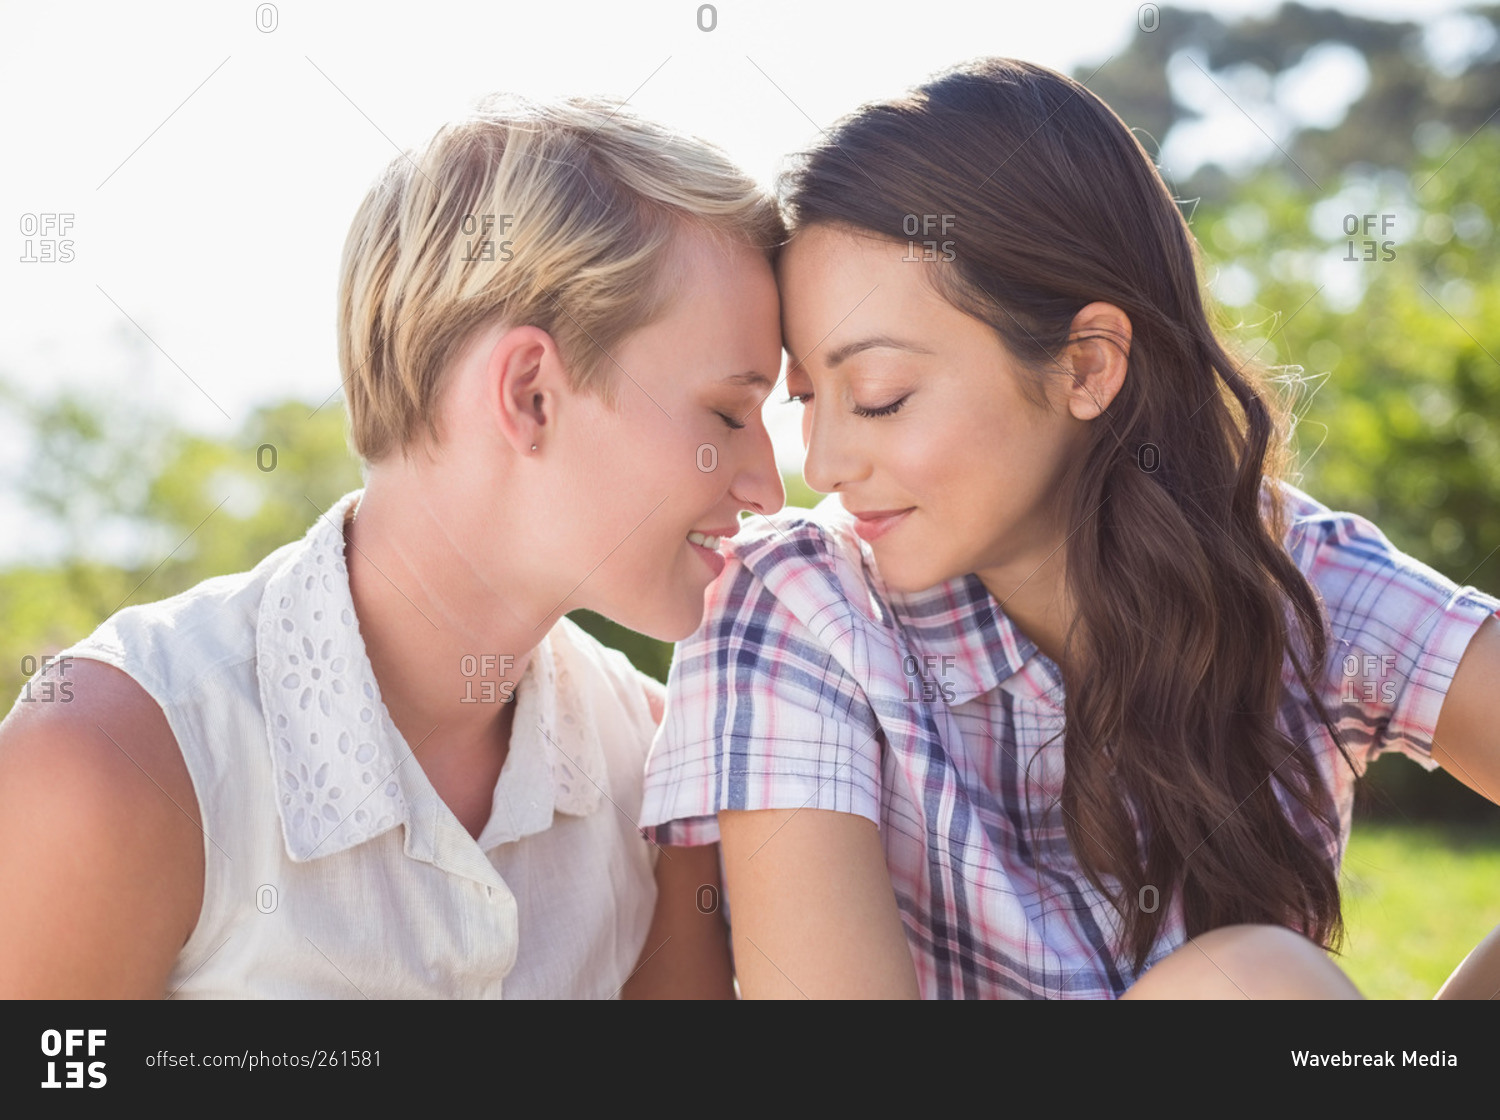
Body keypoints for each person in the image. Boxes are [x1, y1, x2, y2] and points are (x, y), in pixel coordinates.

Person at [639, 57, 1500, 998]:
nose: (828, 464)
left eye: (879, 397)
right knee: (1256, 988)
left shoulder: (1295, 579)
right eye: (807, 396)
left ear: (1087, 366)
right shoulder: (803, 604)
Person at [0, 94, 786, 998]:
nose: (765, 484)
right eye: (728, 413)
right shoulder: (113, 764)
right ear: (531, 395)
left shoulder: (658, 770)